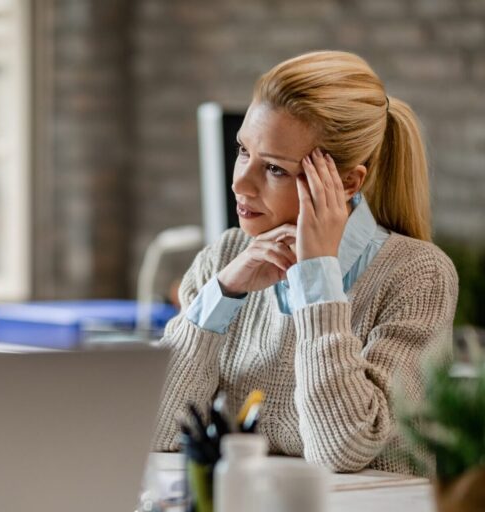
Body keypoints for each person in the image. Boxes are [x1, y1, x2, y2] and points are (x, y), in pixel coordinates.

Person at [153, 51, 458, 473]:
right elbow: (160, 432)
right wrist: (221, 295)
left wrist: (318, 279)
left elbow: (342, 450)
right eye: (243, 151)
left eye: (275, 168)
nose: (239, 181)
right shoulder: (224, 257)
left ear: (348, 182)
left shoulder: (418, 275)